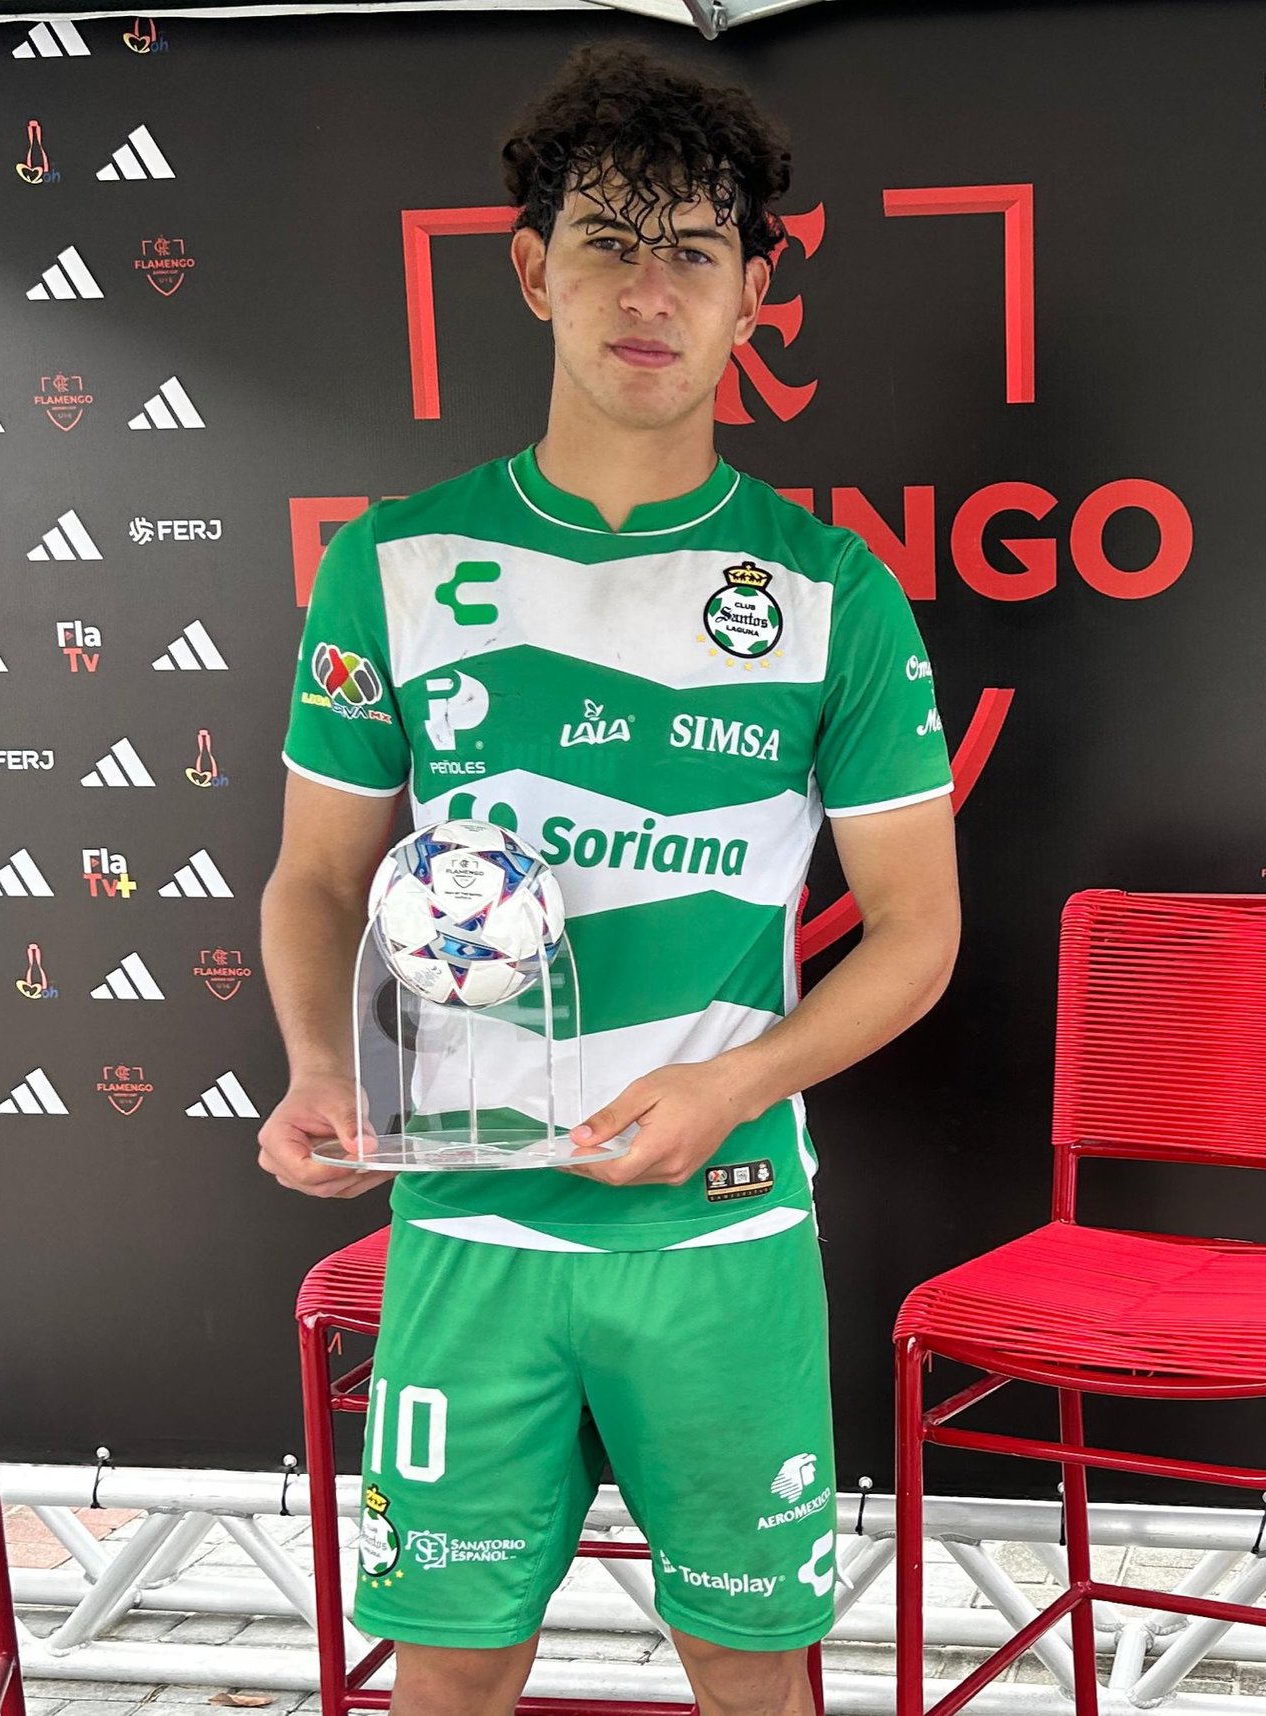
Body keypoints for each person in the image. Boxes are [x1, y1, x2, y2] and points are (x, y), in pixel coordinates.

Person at [258, 38, 960, 1716]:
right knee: (448, 1672)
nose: (651, 290)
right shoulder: (395, 564)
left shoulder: (831, 593)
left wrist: (734, 1084)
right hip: (467, 1219)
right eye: (610, 241)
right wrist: (317, 1067)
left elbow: (918, 935)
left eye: (696, 251)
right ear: (534, 271)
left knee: (750, 1672)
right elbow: (316, 882)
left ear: (752, 295)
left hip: (721, 1228)